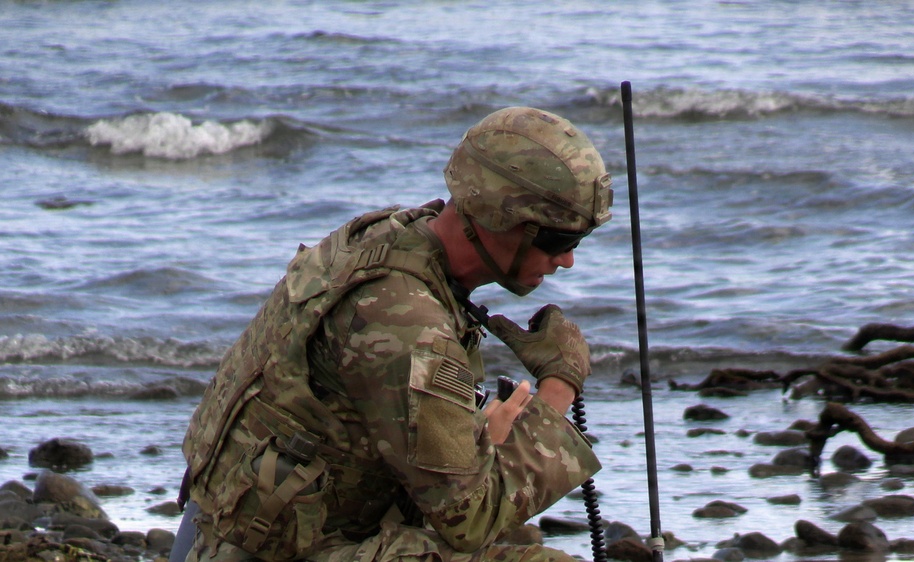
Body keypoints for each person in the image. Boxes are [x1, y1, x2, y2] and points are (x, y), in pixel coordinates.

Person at [175, 106, 614, 562]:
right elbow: (471, 519)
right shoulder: (406, 320)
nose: (566, 262)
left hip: (224, 524)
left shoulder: (387, 235)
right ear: (507, 224)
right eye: (561, 243)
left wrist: (481, 435)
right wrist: (560, 386)